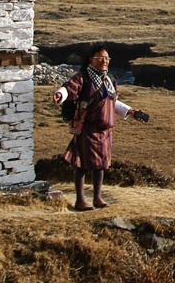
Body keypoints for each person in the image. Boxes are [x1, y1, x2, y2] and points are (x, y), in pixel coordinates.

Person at [53, 46, 149, 211]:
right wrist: (60, 94)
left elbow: (112, 102)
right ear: (91, 59)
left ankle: (97, 198)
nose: (104, 61)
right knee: (82, 165)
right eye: (100, 58)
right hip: (87, 128)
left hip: (105, 130)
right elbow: (69, 88)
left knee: (101, 165)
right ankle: (80, 200)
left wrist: (130, 111)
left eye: (107, 58)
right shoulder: (82, 78)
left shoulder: (109, 80)